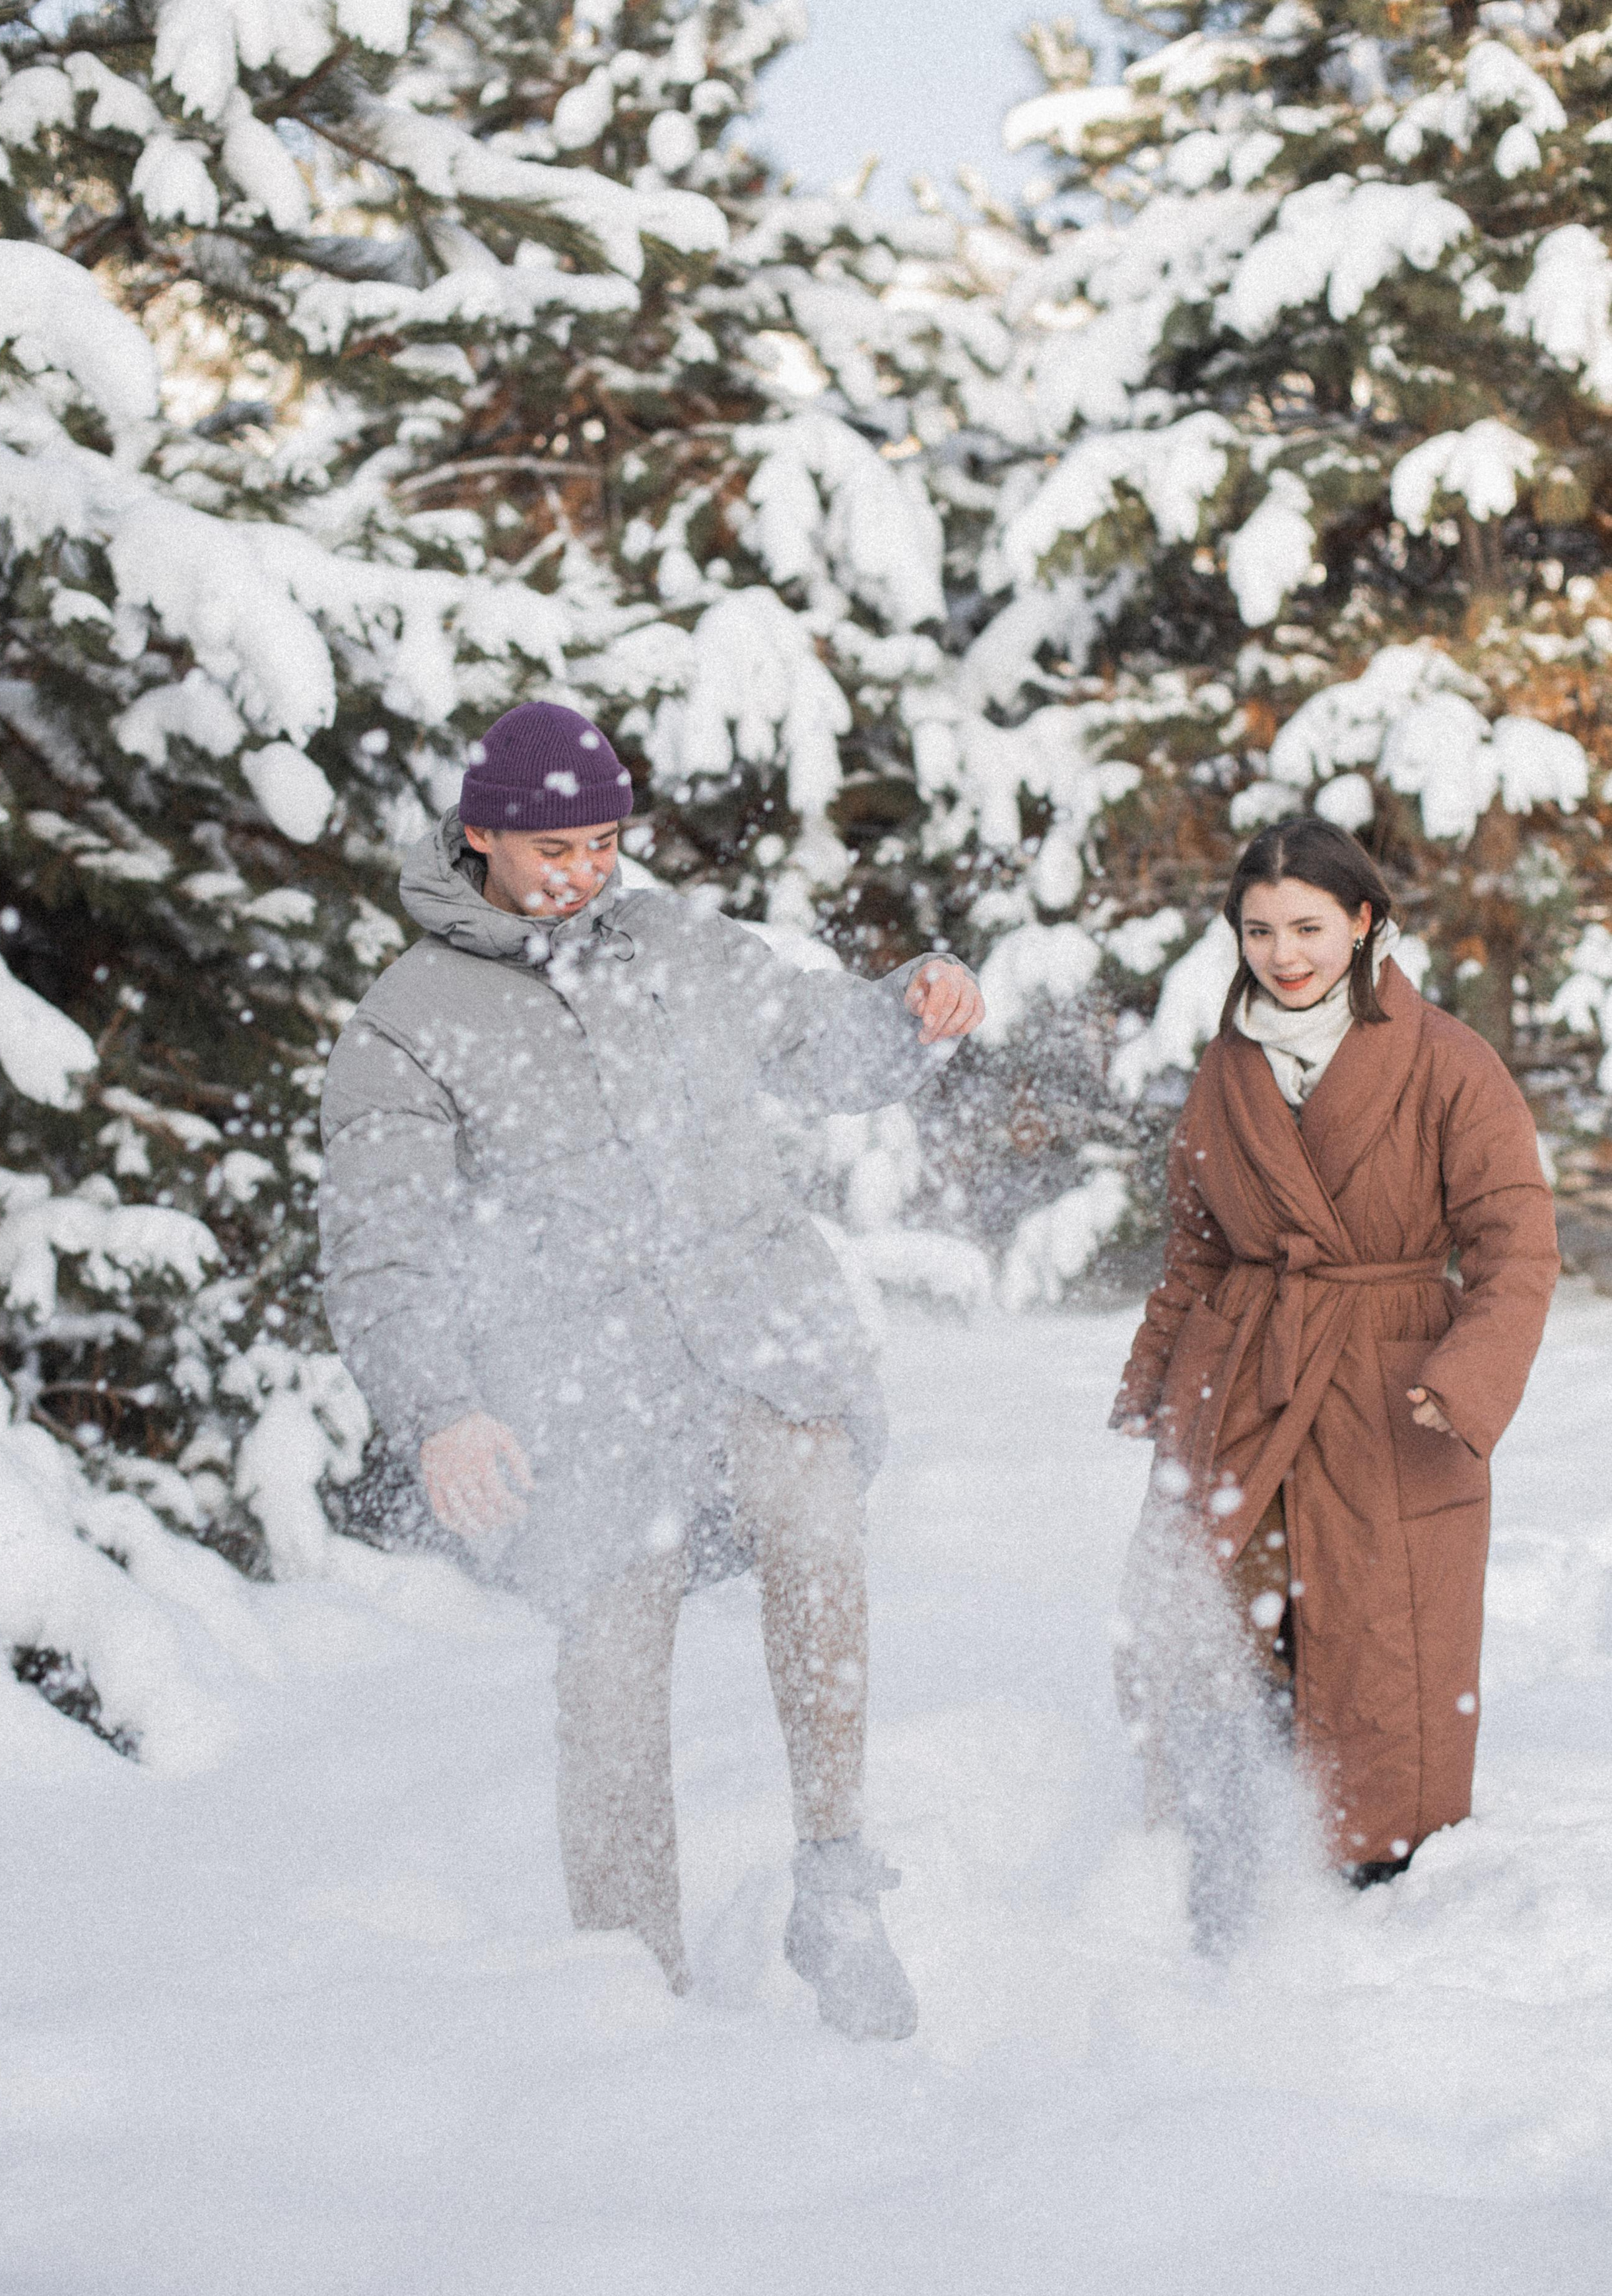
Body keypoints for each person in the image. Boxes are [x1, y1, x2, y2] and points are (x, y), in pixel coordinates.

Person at [318, 700, 983, 2038]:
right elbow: (379, 1249)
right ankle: (632, 1986)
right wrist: (440, 1410)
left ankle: (836, 1882)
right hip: (583, 1385)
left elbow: (820, 1044)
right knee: (614, 1675)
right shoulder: (409, 1021)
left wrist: (911, 1013)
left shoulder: (675, 944)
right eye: (553, 846)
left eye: (606, 842)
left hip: (754, 1333)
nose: (583, 872)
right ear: (481, 836)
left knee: (817, 1531)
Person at [1109, 817, 1558, 1928]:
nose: (1283, 952)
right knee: (1219, 1611)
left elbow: (1516, 1238)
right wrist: (1160, 1373)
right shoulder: (1227, 1071)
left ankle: (1380, 1873)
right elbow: (1200, 1244)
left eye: (1308, 925)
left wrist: (1466, 1377)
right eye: (1258, 930)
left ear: (1363, 923)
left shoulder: (1449, 1061)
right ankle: (1233, 1843)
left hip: (1388, 1382)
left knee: (1382, 1630)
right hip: (1249, 1374)